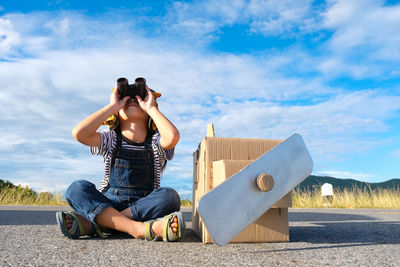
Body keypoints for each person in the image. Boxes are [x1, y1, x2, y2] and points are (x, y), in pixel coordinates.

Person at [56, 79, 183, 242]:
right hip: (109, 203)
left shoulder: (156, 141)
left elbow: (173, 137)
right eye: (126, 99)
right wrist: (112, 106)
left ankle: (100, 224)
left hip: (142, 207)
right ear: (115, 114)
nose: (131, 101)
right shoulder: (110, 139)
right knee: (76, 189)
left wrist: (150, 107)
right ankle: (141, 229)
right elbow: (79, 133)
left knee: (170, 197)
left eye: (138, 98)